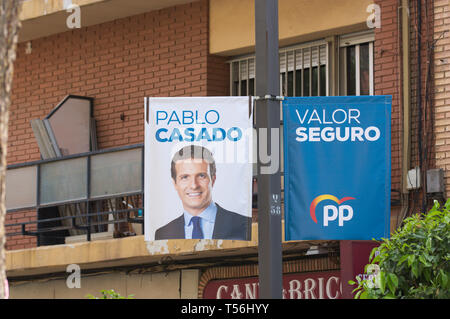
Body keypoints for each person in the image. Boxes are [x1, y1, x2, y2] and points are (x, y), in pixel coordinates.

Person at [155, 145, 251, 240]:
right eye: (185, 177)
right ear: (175, 183)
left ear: (213, 179)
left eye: (201, 176)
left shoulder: (244, 225)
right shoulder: (162, 234)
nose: (194, 185)